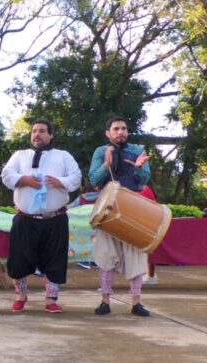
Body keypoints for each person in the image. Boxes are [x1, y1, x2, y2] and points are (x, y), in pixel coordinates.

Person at [1, 119, 81, 313]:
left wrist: (59, 181)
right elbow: (6, 175)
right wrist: (24, 179)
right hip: (25, 218)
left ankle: (51, 299)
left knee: (54, 258)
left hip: (55, 218)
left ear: (50, 135)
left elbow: (76, 178)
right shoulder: (20, 155)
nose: (37, 134)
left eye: (42, 131)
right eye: (34, 131)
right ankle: (21, 295)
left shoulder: (63, 156)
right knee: (19, 258)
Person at [88, 116, 152, 317]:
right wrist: (106, 164)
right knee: (107, 256)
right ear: (108, 133)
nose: (120, 132)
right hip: (108, 210)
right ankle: (105, 301)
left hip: (133, 209)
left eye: (124, 128)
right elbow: (93, 180)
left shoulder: (137, 150)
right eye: (116, 129)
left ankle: (136, 302)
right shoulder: (100, 151)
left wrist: (139, 168)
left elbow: (144, 181)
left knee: (136, 257)